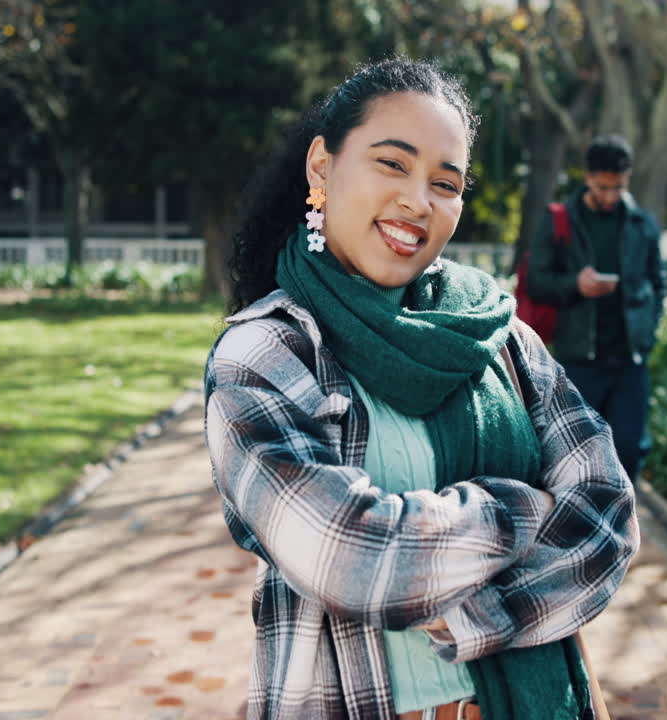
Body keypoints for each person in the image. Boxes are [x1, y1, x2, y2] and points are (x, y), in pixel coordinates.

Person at [204, 58, 639, 720]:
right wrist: (525, 508)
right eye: (392, 164)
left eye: (445, 182)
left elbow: (607, 513)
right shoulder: (264, 352)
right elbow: (349, 557)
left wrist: (487, 613)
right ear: (322, 167)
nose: (418, 201)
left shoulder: (496, 332)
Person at [525, 135, 667, 484]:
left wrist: (649, 327)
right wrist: (577, 284)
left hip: (630, 360)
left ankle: (622, 527)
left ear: (627, 179)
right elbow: (535, 281)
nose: (609, 196)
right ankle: (579, 526)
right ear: (588, 177)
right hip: (579, 358)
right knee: (578, 450)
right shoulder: (559, 219)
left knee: (631, 448)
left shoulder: (642, 224)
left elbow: (658, 281)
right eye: (602, 187)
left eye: (617, 187)